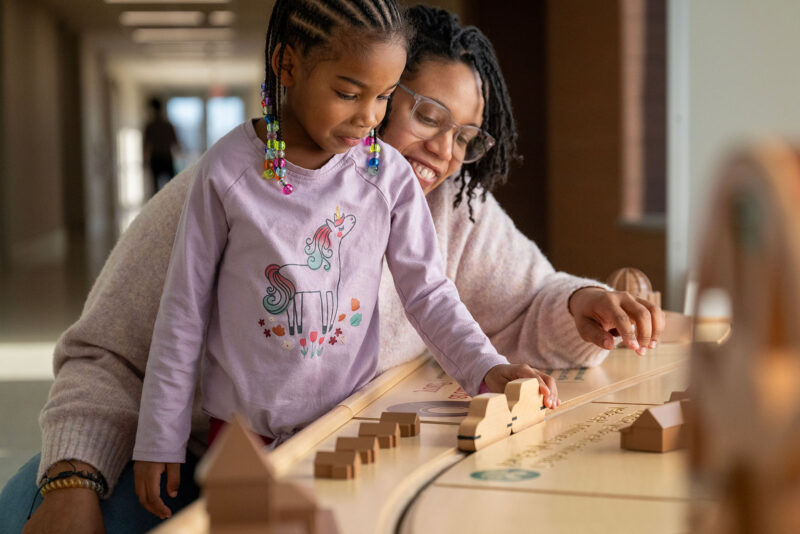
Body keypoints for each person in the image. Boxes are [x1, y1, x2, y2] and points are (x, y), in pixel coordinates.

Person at [0, 5, 664, 534]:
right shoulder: (231, 181)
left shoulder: (438, 199)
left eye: (466, 135)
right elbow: (114, 350)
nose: (446, 150)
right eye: (428, 115)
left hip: (330, 463)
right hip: (209, 450)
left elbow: (517, 303)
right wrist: (74, 475)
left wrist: (582, 302)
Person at [143, 98, 179, 193]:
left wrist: (145, 160)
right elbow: (176, 143)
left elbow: (145, 145)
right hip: (162, 158)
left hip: (160, 158)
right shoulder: (165, 125)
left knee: (164, 187)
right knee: (168, 186)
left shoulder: (151, 126)